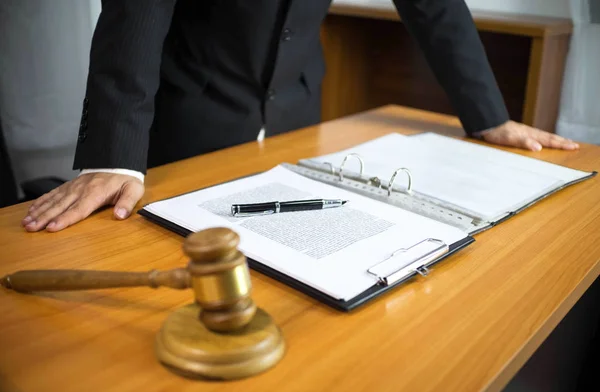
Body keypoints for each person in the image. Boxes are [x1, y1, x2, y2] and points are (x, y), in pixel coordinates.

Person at [21, 0, 578, 233]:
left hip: (296, 107)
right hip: (188, 105)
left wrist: (489, 117)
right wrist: (117, 155)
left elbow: (433, 5)